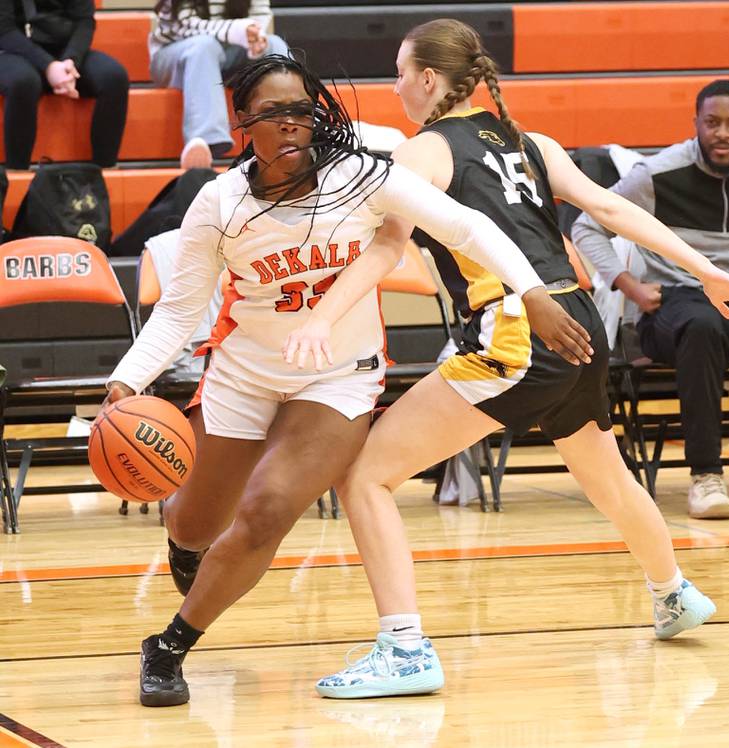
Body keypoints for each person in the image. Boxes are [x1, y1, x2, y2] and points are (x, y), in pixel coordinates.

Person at [281, 19, 729, 698]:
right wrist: (705, 270)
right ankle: (673, 592)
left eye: (401, 72)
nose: (396, 86)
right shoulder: (530, 141)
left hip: (515, 333)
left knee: (365, 476)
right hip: (577, 320)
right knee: (604, 473)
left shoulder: (426, 151)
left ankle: (402, 649)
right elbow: (609, 206)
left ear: (429, 80)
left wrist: (320, 314)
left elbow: (386, 249)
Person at [102, 54, 595, 707]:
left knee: (268, 510)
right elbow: (180, 310)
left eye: (301, 111)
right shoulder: (219, 203)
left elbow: (465, 225)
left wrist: (529, 291)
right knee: (196, 525)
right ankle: (187, 535)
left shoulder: (359, 177)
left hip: (337, 379)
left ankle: (168, 647)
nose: (291, 125)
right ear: (242, 122)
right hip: (244, 375)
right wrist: (126, 381)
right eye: (274, 113)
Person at [572, 79, 729, 519]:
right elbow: (585, 226)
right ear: (695, 122)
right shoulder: (657, 173)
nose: (722, 133)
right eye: (712, 122)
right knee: (702, 326)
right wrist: (629, 285)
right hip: (676, 306)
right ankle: (706, 477)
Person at [149, 0, 290, 169]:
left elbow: (258, 16)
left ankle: (295, 122)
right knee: (204, 46)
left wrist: (255, 40)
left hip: (232, 51)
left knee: (275, 44)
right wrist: (236, 30)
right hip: (176, 52)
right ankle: (204, 140)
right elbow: (186, 26)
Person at [0, 0, 129, 170]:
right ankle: (16, 173)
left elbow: (85, 21)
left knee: (114, 77)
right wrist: (48, 65)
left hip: (63, 51)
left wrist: (71, 60)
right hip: (13, 51)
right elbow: (4, 30)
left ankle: (104, 173)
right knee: (23, 82)